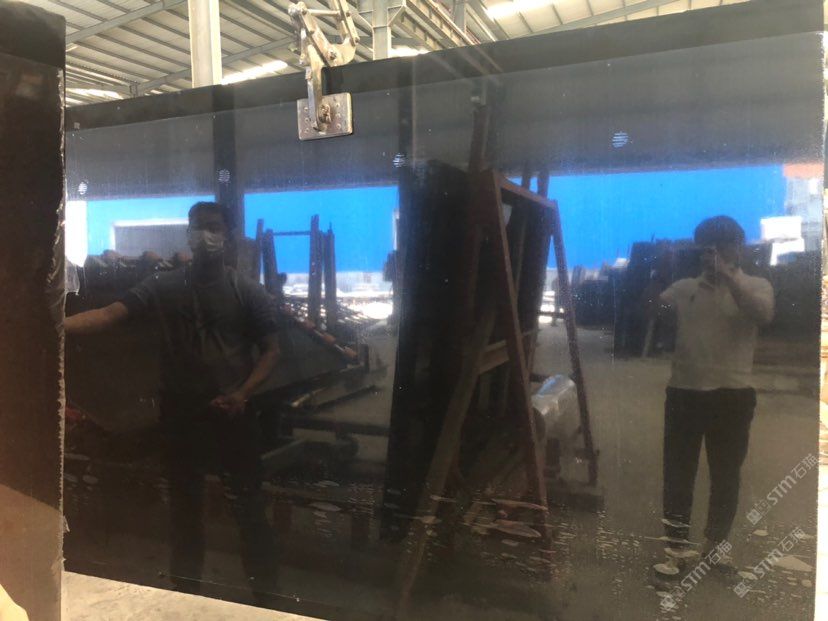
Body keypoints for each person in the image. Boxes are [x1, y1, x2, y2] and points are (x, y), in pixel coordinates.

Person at [65, 201, 281, 602]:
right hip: (183, 412)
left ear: (228, 235)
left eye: (213, 227)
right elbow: (110, 314)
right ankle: (185, 595)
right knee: (184, 509)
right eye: (197, 227)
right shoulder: (163, 286)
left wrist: (242, 393)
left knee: (249, 509)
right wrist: (54, 326)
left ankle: (270, 601)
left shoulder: (246, 291)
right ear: (188, 233)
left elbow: (271, 350)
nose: (204, 235)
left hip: (231, 412)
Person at [654, 215, 774, 577]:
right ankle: (676, 548)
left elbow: (762, 315)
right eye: (707, 248)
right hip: (684, 392)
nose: (714, 254)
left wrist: (729, 278)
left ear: (738, 248)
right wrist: (659, 267)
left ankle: (716, 546)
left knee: (726, 475)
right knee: (678, 473)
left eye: (722, 247)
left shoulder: (756, 285)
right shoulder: (683, 287)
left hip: (732, 395)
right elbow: (649, 311)